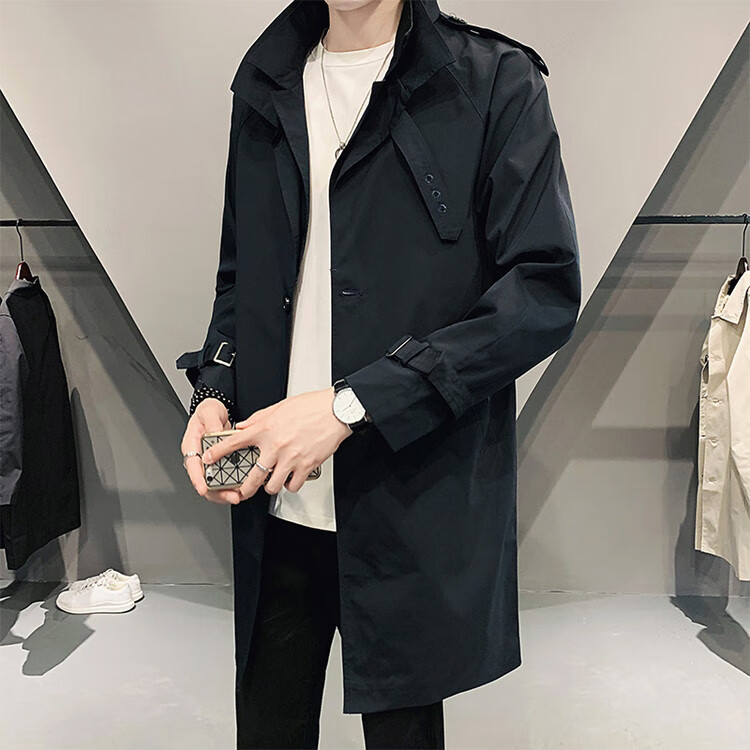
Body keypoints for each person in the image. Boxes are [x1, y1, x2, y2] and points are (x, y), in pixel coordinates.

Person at [178, 0, 581, 748]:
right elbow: (240, 279)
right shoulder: (266, 82)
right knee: (267, 728)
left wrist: (351, 404)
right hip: (274, 494)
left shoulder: (493, 81)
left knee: (403, 734)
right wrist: (214, 388)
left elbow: (540, 295)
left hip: (406, 493)